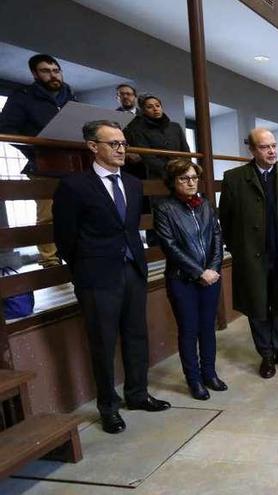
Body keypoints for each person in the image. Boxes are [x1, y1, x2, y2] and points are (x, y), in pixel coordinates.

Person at [52, 120, 171, 434]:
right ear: (93, 146)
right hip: (96, 277)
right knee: (103, 343)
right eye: (113, 144)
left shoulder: (132, 183)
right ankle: (108, 406)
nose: (121, 149)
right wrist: (85, 269)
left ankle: (138, 393)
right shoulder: (74, 186)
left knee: (136, 336)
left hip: (132, 269)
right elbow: (65, 237)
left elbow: (129, 228)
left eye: (123, 143)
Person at [219, 128, 278, 379]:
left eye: (274, 145)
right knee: (257, 306)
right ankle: (266, 355)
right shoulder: (235, 178)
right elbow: (225, 218)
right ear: (251, 150)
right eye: (264, 147)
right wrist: (237, 249)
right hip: (252, 257)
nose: (271, 151)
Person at [153, 158, 226, 400]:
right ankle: (194, 381)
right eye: (184, 178)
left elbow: (216, 237)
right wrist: (198, 272)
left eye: (194, 178)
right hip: (182, 280)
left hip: (211, 277)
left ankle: (210, 374)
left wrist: (214, 268)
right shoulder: (164, 209)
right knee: (189, 330)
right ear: (173, 182)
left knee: (208, 328)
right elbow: (170, 247)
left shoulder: (205, 204)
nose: (191, 183)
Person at [0, 54, 77, 268]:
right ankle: (50, 261)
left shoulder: (70, 96)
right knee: (47, 216)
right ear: (35, 74)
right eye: (46, 71)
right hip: (43, 165)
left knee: (77, 212)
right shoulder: (22, 97)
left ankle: (75, 255)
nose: (53, 75)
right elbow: (6, 130)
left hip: (74, 165)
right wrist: (36, 149)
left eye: (56, 70)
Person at [123, 93, 189, 181]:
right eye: (150, 107)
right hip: (156, 175)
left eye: (157, 106)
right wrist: (168, 169)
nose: (155, 109)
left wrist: (184, 167)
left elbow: (185, 151)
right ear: (143, 111)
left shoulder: (175, 127)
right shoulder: (139, 130)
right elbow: (147, 156)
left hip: (181, 171)